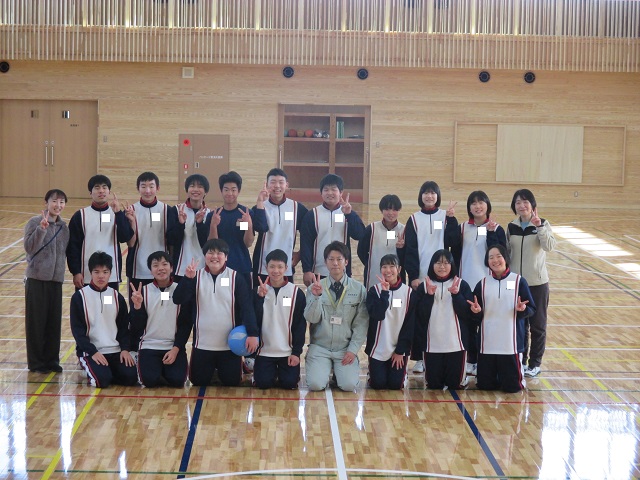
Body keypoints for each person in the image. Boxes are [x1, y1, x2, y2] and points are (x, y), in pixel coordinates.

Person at [172, 239, 259, 386]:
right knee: (198, 381)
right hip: (202, 345)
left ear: (226, 257)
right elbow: (177, 299)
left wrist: (252, 333)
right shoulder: (195, 277)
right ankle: (211, 370)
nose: (214, 256)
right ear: (204, 256)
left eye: (219, 253)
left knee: (231, 382)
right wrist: (187, 279)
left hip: (229, 346)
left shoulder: (236, 277)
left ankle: (229, 368)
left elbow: (247, 308)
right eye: (210, 252)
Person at [403, 180, 458, 373]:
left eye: (433, 192)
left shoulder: (445, 216)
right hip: (421, 278)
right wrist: (413, 276)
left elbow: (453, 241)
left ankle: (442, 355)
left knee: (442, 317)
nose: (429, 196)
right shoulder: (414, 219)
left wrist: (451, 220)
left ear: (437, 196)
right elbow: (410, 250)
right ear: (421, 196)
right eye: (426, 192)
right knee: (420, 319)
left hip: (443, 276)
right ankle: (419, 358)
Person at [450, 190, 507, 377]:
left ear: (487, 205)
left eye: (481, 202)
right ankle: (471, 360)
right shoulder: (462, 228)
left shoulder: (497, 229)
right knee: (467, 324)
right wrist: (450, 219)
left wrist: (491, 232)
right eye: (473, 203)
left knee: (486, 324)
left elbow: (500, 255)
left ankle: (485, 361)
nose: (477, 206)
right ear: (469, 207)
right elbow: (453, 251)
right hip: (465, 284)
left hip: (487, 285)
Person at [468, 245, 536, 393]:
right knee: (485, 386)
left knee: (513, 388)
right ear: (487, 261)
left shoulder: (518, 281)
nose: (495, 260)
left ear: (505, 258)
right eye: (491, 257)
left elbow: (532, 309)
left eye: (498, 256)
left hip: (510, 345)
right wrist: (476, 312)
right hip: (487, 344)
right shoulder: (482, 284)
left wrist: (522, 310)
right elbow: (475, 313)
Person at [304, 241, 368, 392]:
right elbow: (311, 318)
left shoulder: (358, 289)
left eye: (339, 259)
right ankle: (323, 367)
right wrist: (317, 297)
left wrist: (352, 350)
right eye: (331, 259)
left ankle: (339, 374)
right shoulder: (315, 287)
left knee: (349, 386)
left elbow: (361, 323)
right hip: (320, 347)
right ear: (325, 262)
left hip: (344, 349)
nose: (335, 263)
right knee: (315, 385)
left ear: (346, 262)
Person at [506, 189, 556, 378]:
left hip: (537, 283)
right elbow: (507, 253)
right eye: (518, 202)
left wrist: (540, 227)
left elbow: (549, 246)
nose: (522, 205)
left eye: (525, 202)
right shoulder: (511, 227)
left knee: (537, 325)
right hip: (516, 283)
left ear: (532, 204)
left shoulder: (542, 223)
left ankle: (535, 364)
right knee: (520, 324)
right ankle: (522, 360)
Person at [69, 251, 138, 388]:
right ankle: (90, 368)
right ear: (90, 273)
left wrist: (125, 349)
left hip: (115, 350)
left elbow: (123, 327)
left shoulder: (117, 297)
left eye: (105, 272)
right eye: (97, 272)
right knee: (102, 381)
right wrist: (92, 352)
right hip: (92, 351)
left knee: (131, 378)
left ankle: (105, 371)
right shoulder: (79, 297)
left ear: (110, 273)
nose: (101, 276)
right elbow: (77, 331)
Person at [23, 189, 70, 374]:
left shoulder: (64, 228)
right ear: (46, 202)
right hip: (37, 278)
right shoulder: (34, 222)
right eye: (54, 201)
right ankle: (36, 363)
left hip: (56, 280)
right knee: (36, 323)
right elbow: (29, 248)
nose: (58, 205)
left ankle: (52, 360)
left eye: (62, 202)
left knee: (53, 322)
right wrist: (41, 229)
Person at [413, 250, 474, 390]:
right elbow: (420, 316)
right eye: (438, 263)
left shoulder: (461, 285)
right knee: (433, 385)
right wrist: (429, 296)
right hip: (432, 344)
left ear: (452, 265)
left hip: (456, 345)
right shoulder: (424, 286)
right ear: (432, 265)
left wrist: (457, 295)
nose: (442, 266)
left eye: (446, 263)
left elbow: (467, 314)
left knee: (455, 385)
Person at [129, 251, 191, 388]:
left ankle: (163, 371)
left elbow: (185, 325)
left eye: (164, 264)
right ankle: (151, 366)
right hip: (149, 345)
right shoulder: (142, 292)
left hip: (172, 346)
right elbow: (136, 327)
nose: (161, 268)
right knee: (149, 381)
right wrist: (137, 307)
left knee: (178, 381)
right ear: (150, 270)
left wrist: (176, 349)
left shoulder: (180, 290)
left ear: (172, 268)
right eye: (156, 265)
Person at [124, 172, 169, 351]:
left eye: (151, 186)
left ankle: (161, 345)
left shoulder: (167, 210)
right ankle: (134, 348)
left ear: (158, 188)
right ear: (138, 188)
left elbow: (173, 240)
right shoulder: (131, 210)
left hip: (162, 274)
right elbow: (130, 243)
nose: (147, 190)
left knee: (162, 307)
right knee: (137, 309)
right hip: (138, 271)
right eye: (143, 186)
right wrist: (131, 223)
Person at [67, 175, 133, 290]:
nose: (101, 191)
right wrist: (76, 272)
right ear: (90, 193)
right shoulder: (80, 215)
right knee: (87, 302)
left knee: (109, 301)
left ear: (109, 192)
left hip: (111, 276)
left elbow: (125, 237)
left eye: (104, 187)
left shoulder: (117, 214)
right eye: (97, 188)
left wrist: (118, 214)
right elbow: (73, 247)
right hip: (86, 275)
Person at [253, 249, 306, 389]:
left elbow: (300, 325)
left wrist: (296, 353)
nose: (276, 271)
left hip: (287, 352)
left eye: (280, 267)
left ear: (286, 268)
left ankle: (282, 373)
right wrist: (259, 298)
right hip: (264, 351)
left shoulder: (296, 293)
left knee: (289, 384)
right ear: (266, 267)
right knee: (263, 383)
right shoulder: (258, 291)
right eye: (272, 266)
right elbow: (253, 321)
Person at [204, 171, 267, 288]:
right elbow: (212, 244)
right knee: (223, 296)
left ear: (239, 191)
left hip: (242, 266)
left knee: (242, 297)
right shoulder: (213, 215)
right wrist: (213, 225)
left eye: (233, 190)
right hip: (220, 268)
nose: (230, 193)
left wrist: (248, 225)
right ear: (221, 191)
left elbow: (248, 243)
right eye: (226, 190)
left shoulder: (245, 214)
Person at [301, 174, 365, 287]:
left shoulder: (347, 212)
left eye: (334, 189)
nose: (330, 193)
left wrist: (349, 215)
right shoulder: (312, 215)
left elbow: (360, 234)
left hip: (342, 271)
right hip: (318, 272)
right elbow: (306, 244)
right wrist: (307, 270)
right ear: (321, 193)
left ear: (341, 193)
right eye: (326, 190)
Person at [364, 254, 414, 390]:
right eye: (384, 267)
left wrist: (400, 351)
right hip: (378, 348)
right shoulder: (374, 291)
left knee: (395, 385)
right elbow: (378, 315)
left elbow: (410, 325)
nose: (388, 270)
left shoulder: (409, 293)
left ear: (399, 269)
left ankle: (402, 374)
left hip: (398, 349)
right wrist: (385, 293)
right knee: (378, 384)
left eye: (392, 266)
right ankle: (373, 372)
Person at [251, 168, 308, 285]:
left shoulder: (297, 208)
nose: (277, 186)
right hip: (262, 264)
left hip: (286, 264)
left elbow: (309, 234)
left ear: (286, 185)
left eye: (281, 182)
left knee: (285, 295)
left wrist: (300, 254)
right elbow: (260, 228)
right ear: (267, 185)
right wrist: (260, 203)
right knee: (261, 294)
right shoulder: (259, 207)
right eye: (273, 182)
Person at [166, 174, 210, 281]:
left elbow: (207, 243)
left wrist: (200, 224)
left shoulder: (209, 214)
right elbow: (171, 240)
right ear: (187, 190)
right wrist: (180, 224)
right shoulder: (176, 210)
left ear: (205, 191)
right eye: (192, 186)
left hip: (202, 267)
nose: (195, 189)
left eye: (200, 186)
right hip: (180, 268)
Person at [357, 194, 405, 290]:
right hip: (374, 276)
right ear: (381, 210)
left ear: (399, 210)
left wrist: (401, 249)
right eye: (387, 209)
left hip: (396, 278)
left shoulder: (404, 230)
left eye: (394, 210)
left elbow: (407, 258)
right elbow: (361, 251)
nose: (391, 213)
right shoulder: (371, 229)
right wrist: (371, 264)